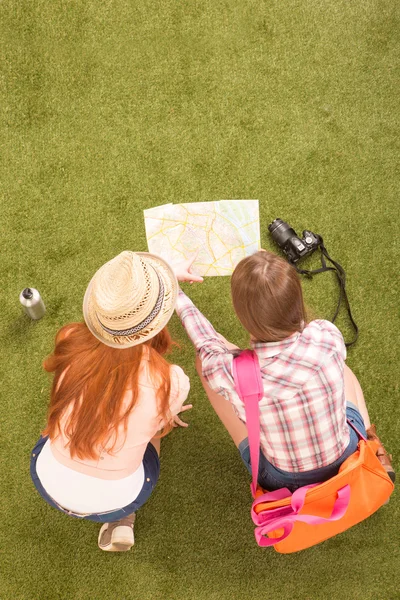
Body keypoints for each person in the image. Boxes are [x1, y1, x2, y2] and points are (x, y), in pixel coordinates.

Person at [176, 250, 395, 492]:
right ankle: (372, 444)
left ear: (241, 314)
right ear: (297, 299)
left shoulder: (229, 372)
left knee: (206, 359)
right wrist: (275, 278)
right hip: (345, 454)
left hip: (282, 479)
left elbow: (206, 343)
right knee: (341, 367)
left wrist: (174, 290)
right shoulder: (326, 336)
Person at [30, 251, 200, 552]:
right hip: (117, 499)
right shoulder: (170, 381)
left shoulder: (70, 339)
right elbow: (157, 424)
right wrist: (166, 415)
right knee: (156, 431)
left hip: (47, 479)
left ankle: (118, 515)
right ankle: (124, 519)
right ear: (158, 321)